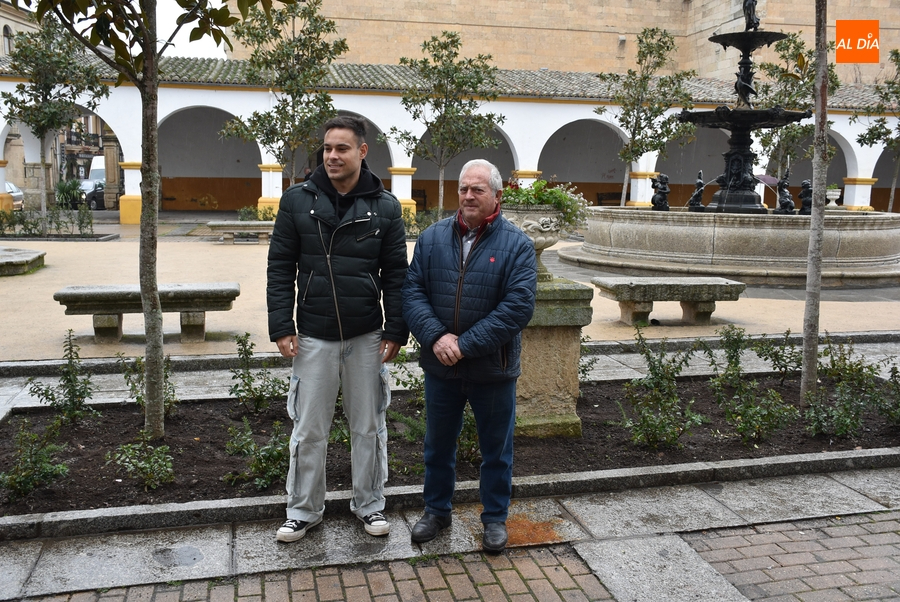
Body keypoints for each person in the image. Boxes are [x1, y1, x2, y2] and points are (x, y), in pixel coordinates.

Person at [267, 115, 408, 542]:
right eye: (327, 148)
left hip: (366, 336)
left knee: (368, 426)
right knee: (309, 430)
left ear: (362, 152)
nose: (331, 155)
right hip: (313, 336)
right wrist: (281, 325)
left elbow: (397, 276)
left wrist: (395, 330)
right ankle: (303, 510)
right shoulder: (296, 201)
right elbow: (280, 268)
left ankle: (369, 505)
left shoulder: (385, 206)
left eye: (341, 148)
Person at [401, 159, 538, 554]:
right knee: (437, 445)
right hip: (440, 366)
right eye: (464, 188)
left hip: (492, 369)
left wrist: (463, 344)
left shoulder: (517, 245)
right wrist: (436, 337)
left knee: (496, 450)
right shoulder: (431, 238)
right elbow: (413, 293)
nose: (468, 196)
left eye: (478, 189)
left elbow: (517, 308)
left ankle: (495, 519)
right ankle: (436, 510)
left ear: (497, 195)